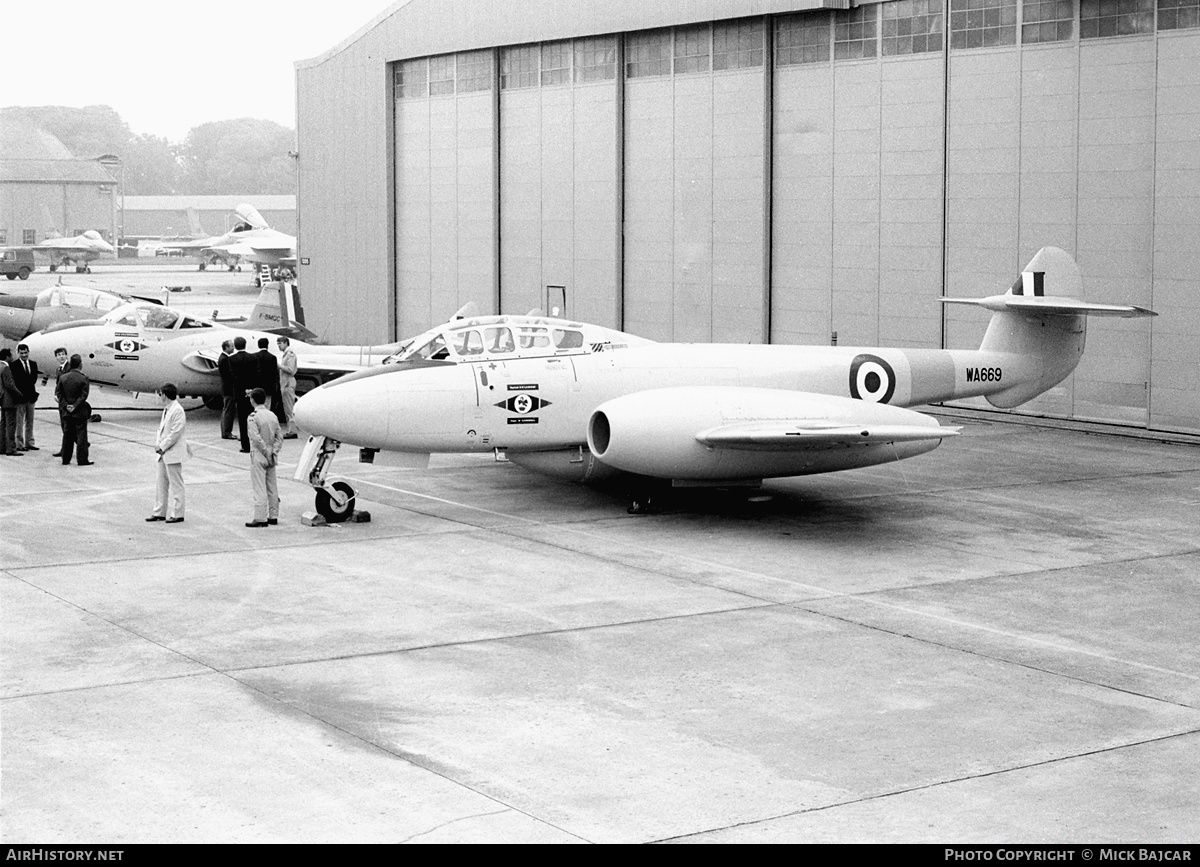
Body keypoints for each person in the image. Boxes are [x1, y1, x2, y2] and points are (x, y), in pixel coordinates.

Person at [147, 383, 189, 524]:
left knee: (176, 484)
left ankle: (178, 513)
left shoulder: (177, 410)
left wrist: (162, 446)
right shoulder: (167, 409)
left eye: (160, 394)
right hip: (163, 453)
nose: (159, 397)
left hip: (172, 451)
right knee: (161, 483)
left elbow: (175, 432)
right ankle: (159, 512)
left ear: (164, 395)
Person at [246, 387, 283, 527]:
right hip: (272, 453)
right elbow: (279, 436)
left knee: (259, 486)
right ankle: (274, 515)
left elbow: (255, 438)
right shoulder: (272, 415)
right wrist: (274, 451)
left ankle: (260, 517)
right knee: (272, 486)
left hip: (259, 454)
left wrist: (265, 451)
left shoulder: (253, 417)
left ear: (253, 400)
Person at [58, 354, 92, 466]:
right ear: (80, 365)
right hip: (79, 412)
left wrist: (67, 405)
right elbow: (84, 396)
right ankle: (82, 459)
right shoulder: (84, 378)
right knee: (81, 436)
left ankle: (65, 459)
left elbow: (59, 394)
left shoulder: (63, 378)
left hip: (67, 412)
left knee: (67, 436)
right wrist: (75, 406)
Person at [228, 335, 257, 453]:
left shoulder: (232, 359)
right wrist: (250, 388)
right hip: (252, 392)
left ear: (235, 346)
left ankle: (245, 445)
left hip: (240, 392)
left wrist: (243, 388)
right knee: (254, 419)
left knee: (242, 419)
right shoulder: (253, 357)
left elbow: (233, 376)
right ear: (245, 344)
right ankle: (255, 443)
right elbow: (256, 373)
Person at [11, 343, 39, 451]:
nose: (24, 355)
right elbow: (16, 381)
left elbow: (34, 379)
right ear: (18, 353)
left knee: (30, 421)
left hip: (31, 396)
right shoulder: (14, 365)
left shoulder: (33, 364)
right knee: (19, 422)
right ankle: (19, 444)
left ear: (28, 352)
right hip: (20, 397)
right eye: (21, 353)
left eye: (25, 352)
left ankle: (29, 442)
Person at [276, 335, 298, 438]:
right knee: (287, 408)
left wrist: (279, 366)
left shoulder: (290, 355)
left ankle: (292, 431)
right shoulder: (285, 355)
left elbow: (290, 369)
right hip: (285, 383)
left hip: (288, 383)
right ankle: (291, 429)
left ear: (285, 343)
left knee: (289, 408)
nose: (279, 346)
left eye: (280, 344)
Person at [0, 349, 21, 457]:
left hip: (2, 399)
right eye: (11, 355)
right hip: (9, 399)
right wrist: (19, 394)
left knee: (3, 424)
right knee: (11, 424)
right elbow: (9, 385)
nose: (12, 357)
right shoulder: (6, 368)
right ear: (7, 357)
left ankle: (2, 447)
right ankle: (11, 448)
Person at [216, 338, 237, 440]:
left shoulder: (223, 358)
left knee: (226, 410)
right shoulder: (225, 359)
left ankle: (225, 431)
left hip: (226, 388)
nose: (233, 348)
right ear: (227, 347)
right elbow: (230, 376)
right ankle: (227, 432)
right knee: (228, 410)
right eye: (232, 346)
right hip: (229, 388)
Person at [50, 347, 69, 458]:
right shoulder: (59, 369)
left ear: (66, 355)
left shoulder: (69, 368)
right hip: (61, 401)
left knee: (67, 426)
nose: (61, 356)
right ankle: (66, 448)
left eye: (63, 354)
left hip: (68, 401)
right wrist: (56, 395)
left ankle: (67, 449)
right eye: (58, 355)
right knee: (64, 425)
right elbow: (58, 385)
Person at [254, 336, 279, 418]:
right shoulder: (272, 357)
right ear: (267, 345)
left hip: (256, 386)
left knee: (256, 407)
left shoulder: (254, 356)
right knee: (267, 407)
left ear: (258, 345)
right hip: (268, 387)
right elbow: (275, 373)